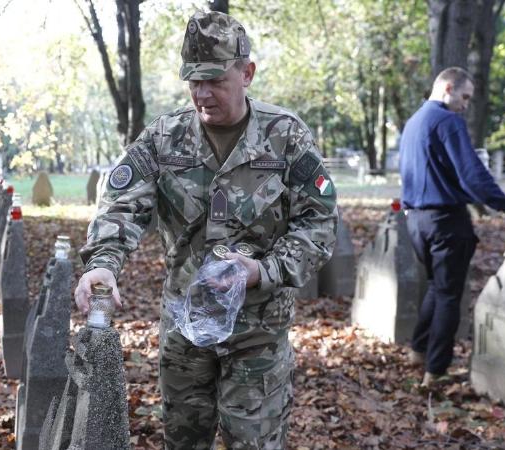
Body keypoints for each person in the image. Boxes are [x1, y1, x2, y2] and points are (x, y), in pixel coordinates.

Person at [74, 11, 337, 448]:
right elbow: (122, 206)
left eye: (215, 80)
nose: (202, 93)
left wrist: (263, 271)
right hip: (184, 331)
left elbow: (320, 224)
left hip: (258, 333)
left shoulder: (286, 138)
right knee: (182, 441)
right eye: (193, 81)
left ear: (246, 73)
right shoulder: (164, 138)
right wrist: (103, 263)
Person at [399, 67, 505, 387]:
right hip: (446, 221)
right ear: (448, 88)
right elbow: (472, 174)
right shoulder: (448, 121)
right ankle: (435, 372)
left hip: (416, 222)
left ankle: (419, 351)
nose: (466, 104)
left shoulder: (413, 123)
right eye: (464, 97)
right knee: (450, 295)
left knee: (437, 286)